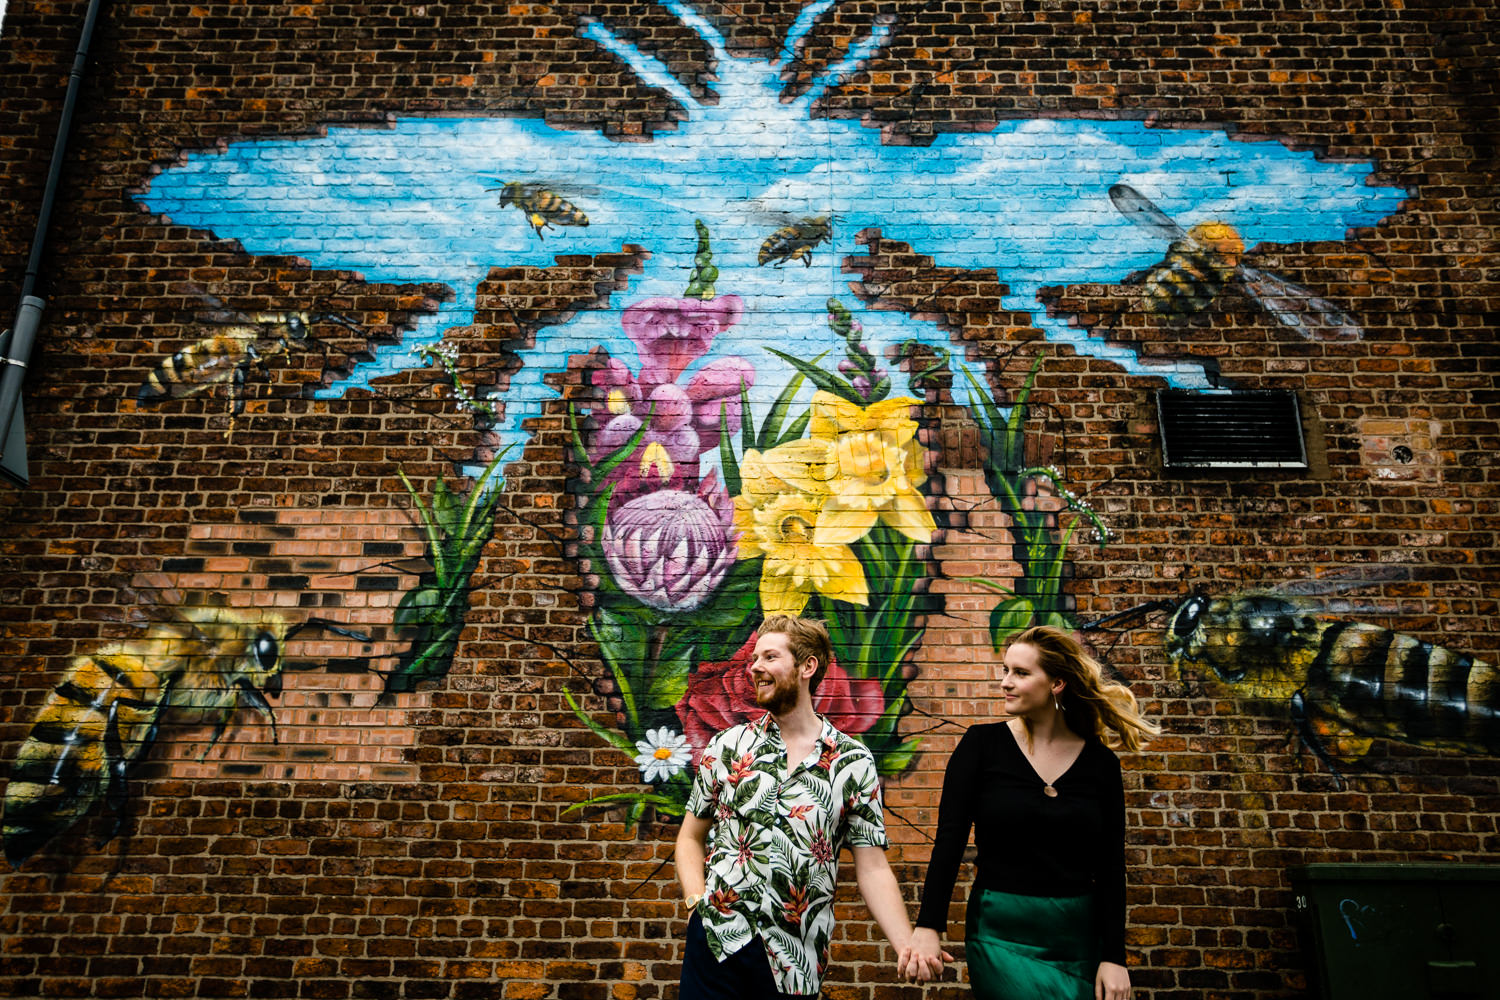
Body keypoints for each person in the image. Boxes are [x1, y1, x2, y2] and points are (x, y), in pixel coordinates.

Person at [674, 614, 945, 999]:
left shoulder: (851, 761)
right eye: (754, 660)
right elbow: (690, 836)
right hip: (718, 941)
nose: (755, 669)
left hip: (794, 958)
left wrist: (905, 944)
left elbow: (872, 867)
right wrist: (696, 905)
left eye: (769, 657)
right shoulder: (727, 747)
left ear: (807, 666)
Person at [904, 625, 1158, 1000]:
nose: (1005, 682)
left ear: (1056, 683)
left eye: (1020, 673)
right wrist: (928, 926)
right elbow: (949, 842)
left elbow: (1110, 866)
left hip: (1076, 935)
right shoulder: (981, 746)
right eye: (1005, 670)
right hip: (999, 930)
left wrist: (1113, 957)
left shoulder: (1100, 764)